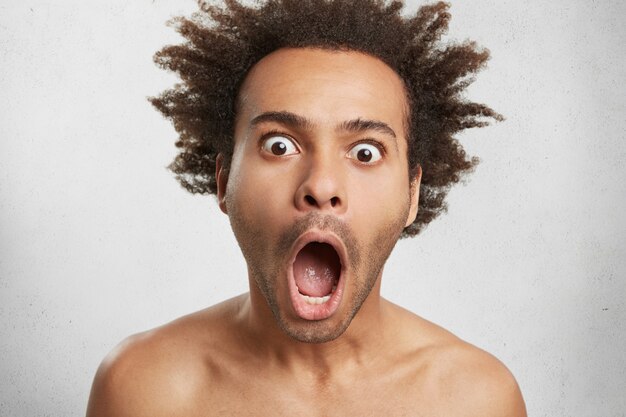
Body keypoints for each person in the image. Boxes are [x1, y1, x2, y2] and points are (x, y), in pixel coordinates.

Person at [87, 1, 526, 415]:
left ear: (413, 195)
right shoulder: (142, 389)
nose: (321, 185)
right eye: (280, 145)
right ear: (224, 182)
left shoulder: (477, 399)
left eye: (366, 152)